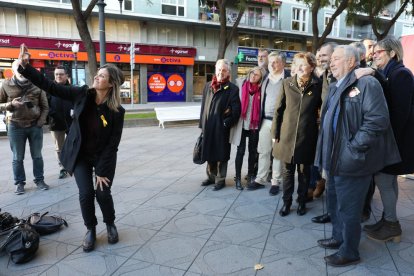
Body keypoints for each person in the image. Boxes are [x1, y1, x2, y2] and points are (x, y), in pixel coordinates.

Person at [16, 44, 126, 252]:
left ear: (111, 84)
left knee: (103, 193)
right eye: (98, 74)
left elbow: (113, 143)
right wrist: (26, 67)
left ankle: (110, 223)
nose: (96, 77)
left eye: (102, 76)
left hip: (103, 157)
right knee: (86, 194)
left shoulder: (117, 111)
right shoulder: (82, 94)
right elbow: (51, 87)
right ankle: (91, 230)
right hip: (81, 155)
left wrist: (102, 171)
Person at [314, 45, 400, 267]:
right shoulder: (334, 86)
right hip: (333, 159)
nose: (331, 62)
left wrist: (353, 149)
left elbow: (377, 120)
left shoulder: (367, 83)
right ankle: (338, 238)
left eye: (336, 59)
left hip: (352, 160)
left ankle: (349, 251)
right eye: (330, 59)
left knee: (349, 209)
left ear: (351, 62)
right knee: (334, 203)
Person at [362, 37, 414, 242]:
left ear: (392, 53)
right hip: (394, 140)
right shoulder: (390, 73)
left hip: (397, 141)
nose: (374, 55)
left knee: (383, 178)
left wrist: (385, 140)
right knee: (387, 179)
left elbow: (400, 113)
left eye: (378, 52)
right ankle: (387, 219)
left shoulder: (401, 74)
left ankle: (392, 224)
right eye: (373, 52)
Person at [272, 52, 322, 216]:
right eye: (297, 64)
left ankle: (301, 202)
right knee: (287, 172)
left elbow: (322, 110)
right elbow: (278, 110)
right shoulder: (287, 83)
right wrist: (275, 132)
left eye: (303, 64)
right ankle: (286, 202)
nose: (299, 68)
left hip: (307, 137)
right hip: (286, 136)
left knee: (304, 173)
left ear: (312, 67)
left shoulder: (318, 85)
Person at [0, 60, 49, 195]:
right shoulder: (6, 84)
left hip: (35, 125)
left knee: (37, 156)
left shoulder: (37, 84)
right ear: (13, 70)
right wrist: (10, 105)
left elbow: (45, 106)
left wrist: (40, 122)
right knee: (17, 157)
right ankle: (20, 183)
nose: (21, 70)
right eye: (18, 68)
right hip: (15, 125)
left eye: (22, 67)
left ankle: (39, 180)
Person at [248, 52, 289, 195]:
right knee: (263, 151)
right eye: (270, 61)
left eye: (276, 62)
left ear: (283, 63)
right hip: (264, 121)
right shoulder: (265, 79)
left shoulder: (289, 78)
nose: (272, 64)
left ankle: (275, 181)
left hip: (280, 123)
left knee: (277, 152)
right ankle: (260, 178)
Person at [199, 59, 241, 191]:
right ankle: (211, 177)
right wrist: (202, 124)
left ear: (228, 72)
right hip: (208, 127)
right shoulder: (208, 86)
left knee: (221, 154)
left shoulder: (232, 89)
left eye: (224, 70)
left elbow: (236, 111)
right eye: (219, 69)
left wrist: (225, 123)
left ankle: (220, 179)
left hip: (221, 128)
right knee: (209, 152)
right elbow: (203, 107)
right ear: (215, 70)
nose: (220, 72)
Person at [311, 42, 337, 224]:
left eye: (324, 56)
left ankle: (334, 213)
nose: (320, 59)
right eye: (319, 56)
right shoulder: (326, 75)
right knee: (326, 168)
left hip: (337, 132)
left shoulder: (343, 76)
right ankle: (331, 210)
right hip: (325, 127)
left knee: (333, 172)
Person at [230, 66, 266, 190]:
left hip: (254, 125)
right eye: (252, 73)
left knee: (252, 152)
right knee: (240, 151)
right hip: (242, 124)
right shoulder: (241, 85)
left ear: (260, 78)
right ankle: (238, 178)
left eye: (256, 75)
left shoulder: (261, 89)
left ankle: (251, 175)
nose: (253, 76)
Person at [48, 66, 73, 179]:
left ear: (66, 76)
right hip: (56, 123)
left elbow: (78, 103)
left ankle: (76, 165)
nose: (58, 76)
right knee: (59, 148)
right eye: (57, 74)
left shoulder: (72, 89)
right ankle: (62, 168)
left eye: (61, 74)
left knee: (76, 144)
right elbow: (45, 105)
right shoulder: (50, 89)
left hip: (72, 122)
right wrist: (52, 114)